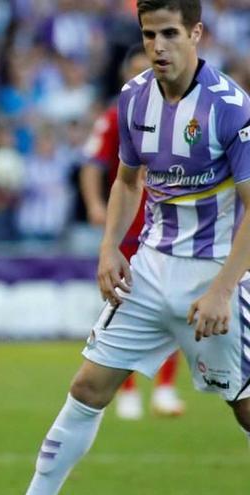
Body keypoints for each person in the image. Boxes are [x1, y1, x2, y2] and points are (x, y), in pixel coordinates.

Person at [27, 1, 250, 493]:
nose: (158, 47)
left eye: (170, 33)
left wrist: (221, 290)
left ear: (196, 33)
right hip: (149, 269)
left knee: (246, 408)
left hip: (214, 275)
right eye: (149, 35)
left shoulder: (230, 107)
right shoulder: (133, 98)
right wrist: (110, 249)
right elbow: (127, 183)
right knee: (86, 389)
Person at [78, 43, 184, 420]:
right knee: (119, 305)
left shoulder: (184, 115)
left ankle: (165, 389)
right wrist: (94, 205)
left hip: (168, 228)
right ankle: (125, 390)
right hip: (127, 227)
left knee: (172, 306)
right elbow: (91, 164)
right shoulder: (117, 114)